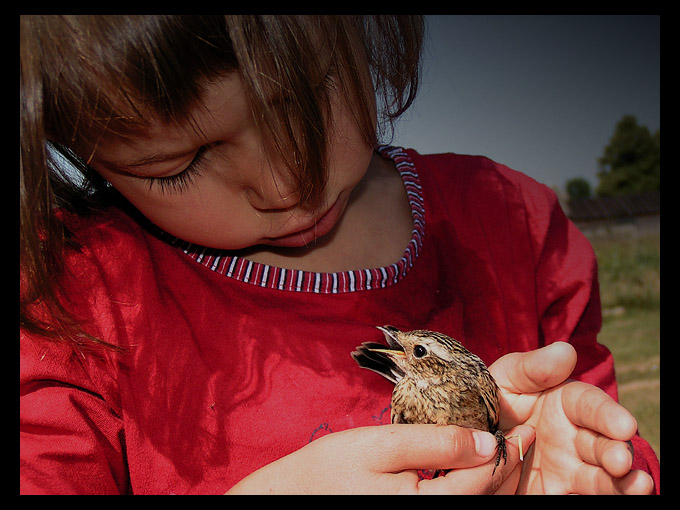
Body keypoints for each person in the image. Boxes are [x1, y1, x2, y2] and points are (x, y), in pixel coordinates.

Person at [20, 15, 659, 494]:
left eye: (304, 100)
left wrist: (596, 466)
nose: (285, 184)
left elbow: (610, 439)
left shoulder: (512, 225)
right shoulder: (66, 301)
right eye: (179, 164)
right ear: (74, 147)